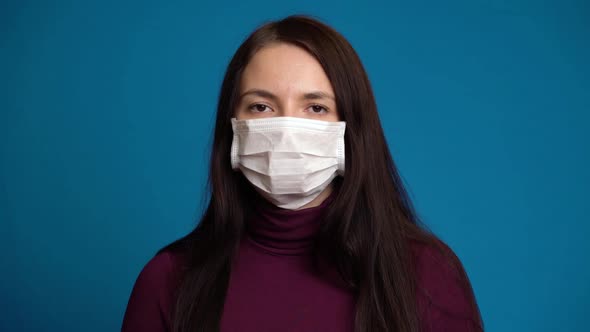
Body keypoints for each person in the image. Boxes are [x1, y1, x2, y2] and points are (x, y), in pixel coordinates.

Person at [121, 14, 484, 332]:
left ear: (350, 127)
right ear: (232, 126)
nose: (287, 130)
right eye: (261, 106)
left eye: (315, 107)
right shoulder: (169, 280)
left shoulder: (426, 276)